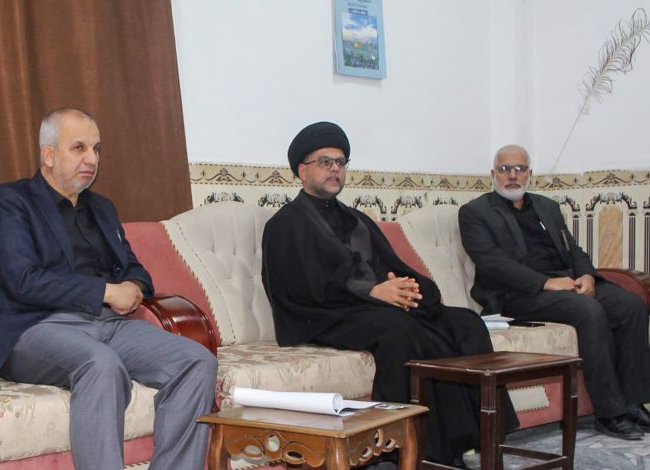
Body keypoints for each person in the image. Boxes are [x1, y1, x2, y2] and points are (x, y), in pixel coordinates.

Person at [0, 108, 217, 470]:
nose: (92, 159)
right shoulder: (11, 201)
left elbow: (134, 269)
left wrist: (132, 286)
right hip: (29, 326)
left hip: (107, 325)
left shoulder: (101, 208)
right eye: (79, 148)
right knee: (101, 365)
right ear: (49, 154)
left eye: (96, 149)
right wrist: (106, 292)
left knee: (197, 362)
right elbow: (23, 281)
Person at [261, 121, 517, 469]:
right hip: (321, 316)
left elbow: (393, 266)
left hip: (370, 308)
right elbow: (301, 287)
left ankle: (483, 435)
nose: (335, 169)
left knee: (466, 322)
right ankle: (411, 446)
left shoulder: (357, 219)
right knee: (398, 328)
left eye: (340, 162)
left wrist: (411, 291)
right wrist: (372, 291)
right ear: (302, 171)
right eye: (325, 162)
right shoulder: (284, 224)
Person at [458, 144, 650, 440]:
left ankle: (633, 403)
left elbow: (573, 249)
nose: (512, 175)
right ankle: (609, 412)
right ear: (493, 174)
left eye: (519, 169)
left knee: (631, 304)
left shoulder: (546, 206)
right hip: (517, 295)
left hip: (565, 284)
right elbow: (492, 262)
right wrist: (545, 283)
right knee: (588, 310)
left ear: (529, 174)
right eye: (505, 169)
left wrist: (587, 276)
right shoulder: (475, 212)